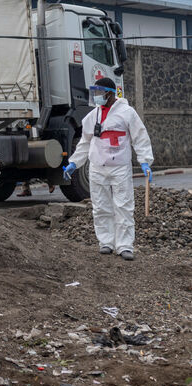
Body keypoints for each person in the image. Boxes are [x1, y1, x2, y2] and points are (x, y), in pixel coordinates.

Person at [63, 77, 153, 261]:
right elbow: (85, 142)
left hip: (120, 168)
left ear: (109, 93)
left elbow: (140, 137)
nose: (96, 96)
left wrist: (145, 162)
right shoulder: (92, 115)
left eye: (99, 92)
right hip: (97, 167)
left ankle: (125, 246)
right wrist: (74, 163)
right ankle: (106, 242)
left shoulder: (127, 113)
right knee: (100, 206)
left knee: (123, 207)